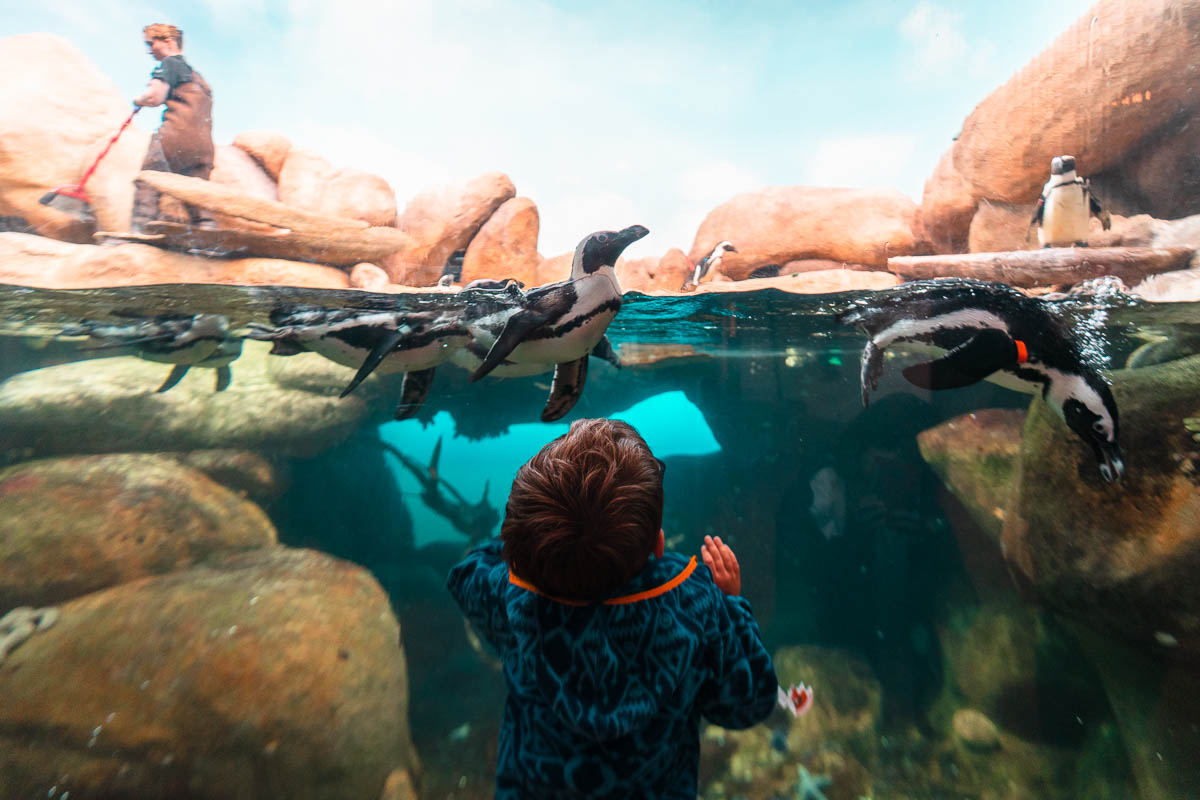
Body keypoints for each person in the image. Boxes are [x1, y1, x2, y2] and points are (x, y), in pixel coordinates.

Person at [447, 418, 778, 799]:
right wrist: (732, 605)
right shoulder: (698, 606)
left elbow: (466, 575)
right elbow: (748, 704)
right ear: (658, 545)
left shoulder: (512, 598)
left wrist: (531, 541)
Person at [131, 23, 215, 233]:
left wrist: (138, 100)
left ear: (168, 42)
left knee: (148, 180)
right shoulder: (199, 78)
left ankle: (139, 229)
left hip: (175, 138)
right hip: (204, 147)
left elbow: (155, 96)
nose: (149, 50)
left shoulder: (169, 64)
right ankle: (207, 229)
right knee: (197, 195)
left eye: (151, 43)